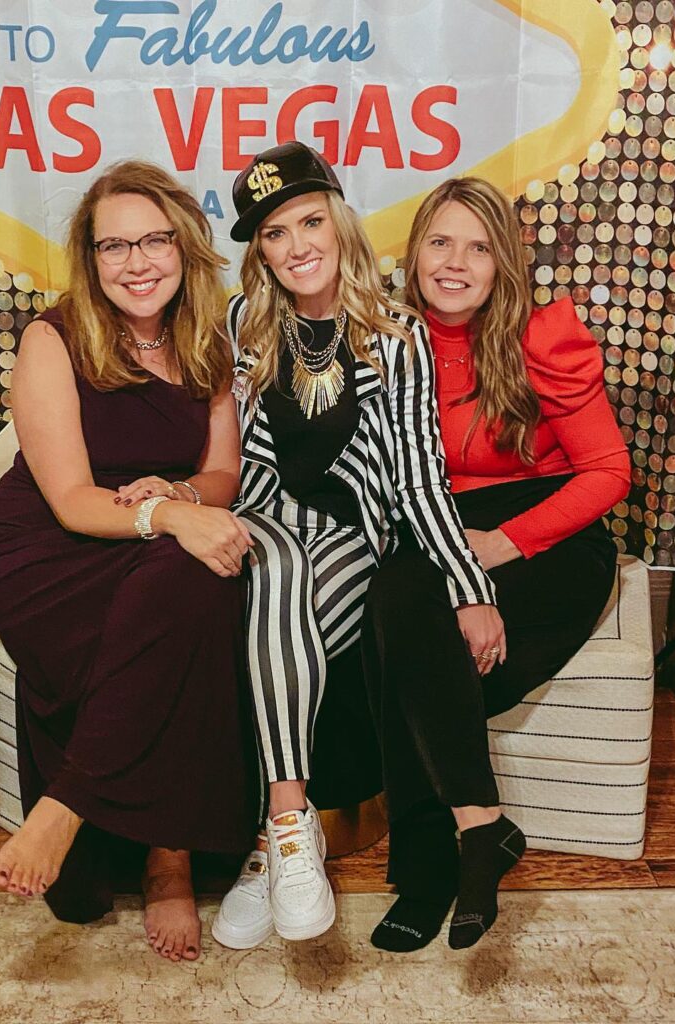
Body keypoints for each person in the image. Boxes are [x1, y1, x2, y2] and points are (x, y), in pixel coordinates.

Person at [209, 141, 506, 952]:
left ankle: (268, 845)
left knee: (280, 611)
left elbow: (418, 477)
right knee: (275, 570)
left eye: (310, 222)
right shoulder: (243, 321)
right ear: (261, 252)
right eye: (274, 233)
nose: (297, 245)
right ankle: (289, 827)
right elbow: (228, 451)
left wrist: (468, 585)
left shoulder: (396, 336)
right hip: (265, 522)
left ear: (339, 223)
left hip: (348, 541)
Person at [0, 160, 257, 963]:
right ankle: (159, 848)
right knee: (189, 580)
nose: (137, 262)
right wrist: (170, 515)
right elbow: (69, 499)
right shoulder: (53, 339)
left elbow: (223, 472)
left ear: (184, 247)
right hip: (46, 552)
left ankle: (84, 816)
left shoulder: (206, 341)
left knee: (195, 581)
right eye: (114, 246)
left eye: (155, 241)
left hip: (143, 542)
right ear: (91, 258)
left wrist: (183, 494)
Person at [361, 176, 632, 952]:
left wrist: (501, 545)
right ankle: (477, 832)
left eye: (478, 248)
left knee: (405, 630)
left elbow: (608, 472)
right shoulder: (382, 342)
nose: (456, 263)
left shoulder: (540, 339)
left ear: (503, 265)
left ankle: (429, 868)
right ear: (414, 255)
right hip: (439, 527)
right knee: (394, 602)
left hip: (549, 537)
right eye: (440, 243)